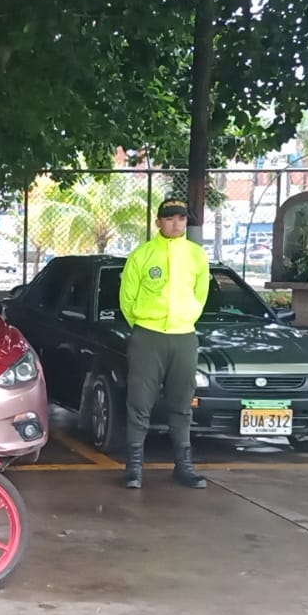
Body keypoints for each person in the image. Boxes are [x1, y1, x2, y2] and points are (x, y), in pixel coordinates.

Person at [118, 197, 211, 490]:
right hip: (148, 336)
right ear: (158, 222)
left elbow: (201, 294)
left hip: (184, 336)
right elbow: (127, 298)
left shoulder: (197, 256)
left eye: (181, 219)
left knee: (182, 403)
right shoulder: (143, 255)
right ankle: (134, 468)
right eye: (170, 218)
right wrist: (145, 324)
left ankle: (184, 466)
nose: (176, 224)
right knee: (139, 403)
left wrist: (186, 318)